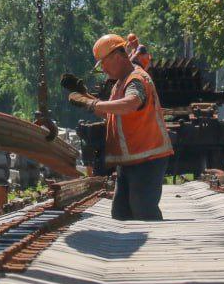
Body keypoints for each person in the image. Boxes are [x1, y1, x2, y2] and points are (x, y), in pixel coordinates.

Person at [69, 33, 174, 220]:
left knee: (143, 210)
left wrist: (92, 104)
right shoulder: (121, 83)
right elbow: (110, 113)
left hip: (147, 158)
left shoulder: (135, 79)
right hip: (132, 160)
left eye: (104, 62)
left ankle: (156, 247)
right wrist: (86, 98)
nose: (103, 68)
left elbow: (131, 104)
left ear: (118, 57)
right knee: (121, 213)